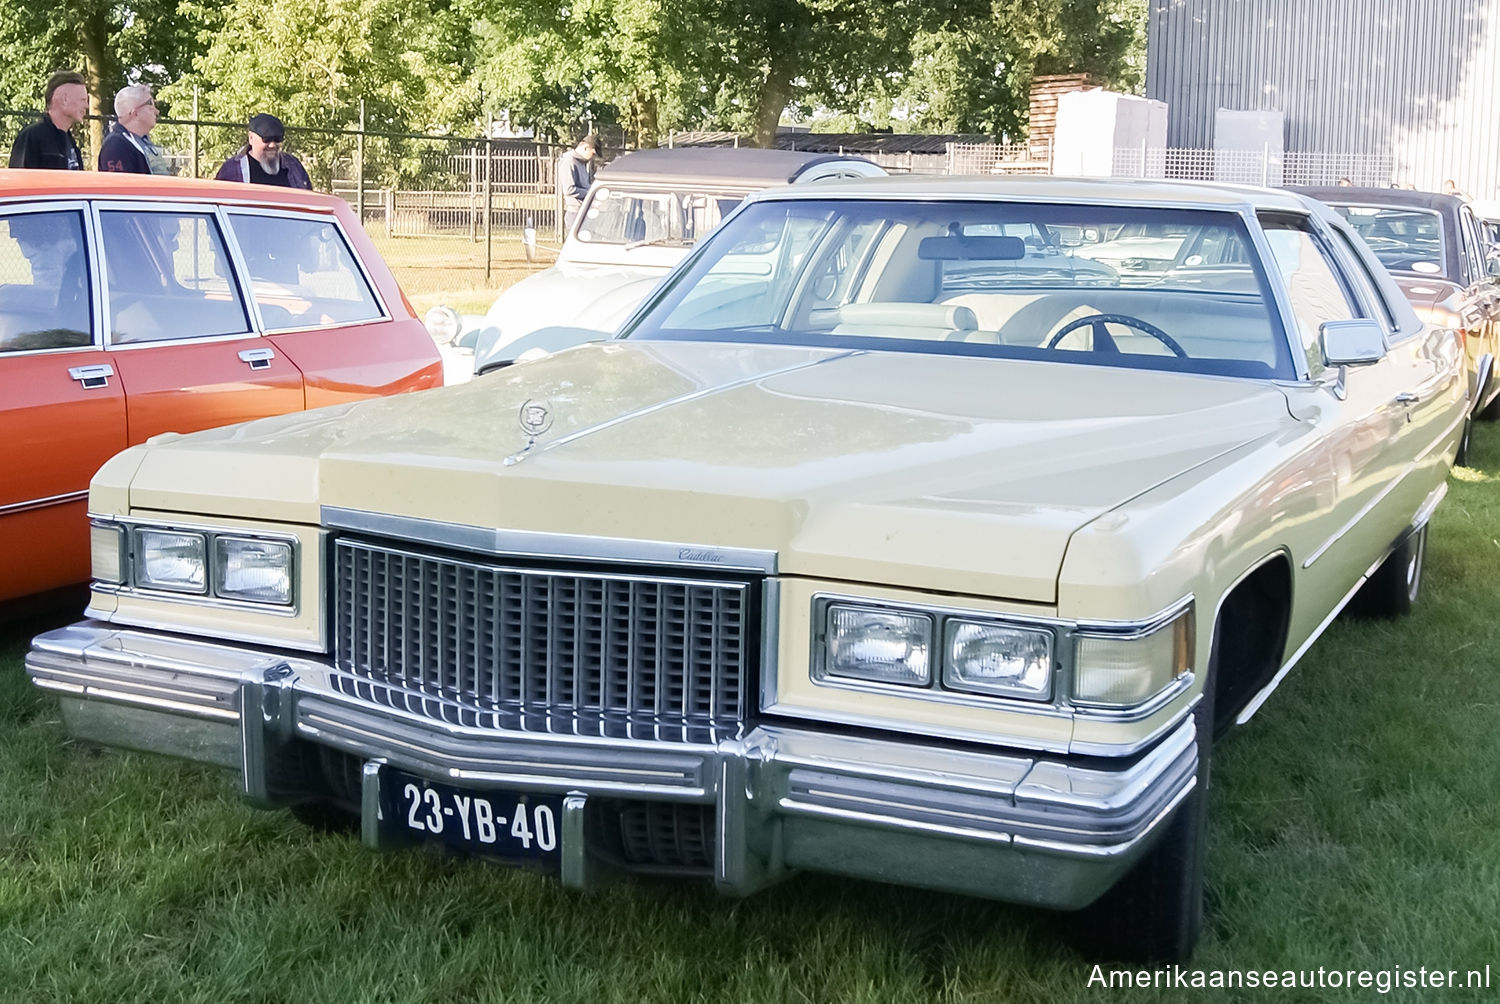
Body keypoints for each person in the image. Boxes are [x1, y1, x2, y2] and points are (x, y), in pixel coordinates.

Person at [7, 70, 87, 170]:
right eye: (83, 100)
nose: (86, 106)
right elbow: (19, 181)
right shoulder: (31, 138)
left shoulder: (70, 142)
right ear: (64, 99)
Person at [214, 113, 310, 189]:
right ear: (251, 138)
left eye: (277, 139)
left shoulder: (293, 166)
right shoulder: (232, 169)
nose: (272, 145)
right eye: (266, 139)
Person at [98, 84, 172, 174]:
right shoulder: (116, 146)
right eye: (150, 106)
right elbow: (121, 185)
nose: (157, 111)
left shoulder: (141, 142)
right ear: (135, 113)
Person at [556, 134, 598, 234]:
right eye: (593, 153)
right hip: (575, 213)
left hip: (583, 211)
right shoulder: (569, 162)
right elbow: (569, 189)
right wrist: (590, 192)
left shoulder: (582, 163)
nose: (593, 157)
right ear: (586, 147)